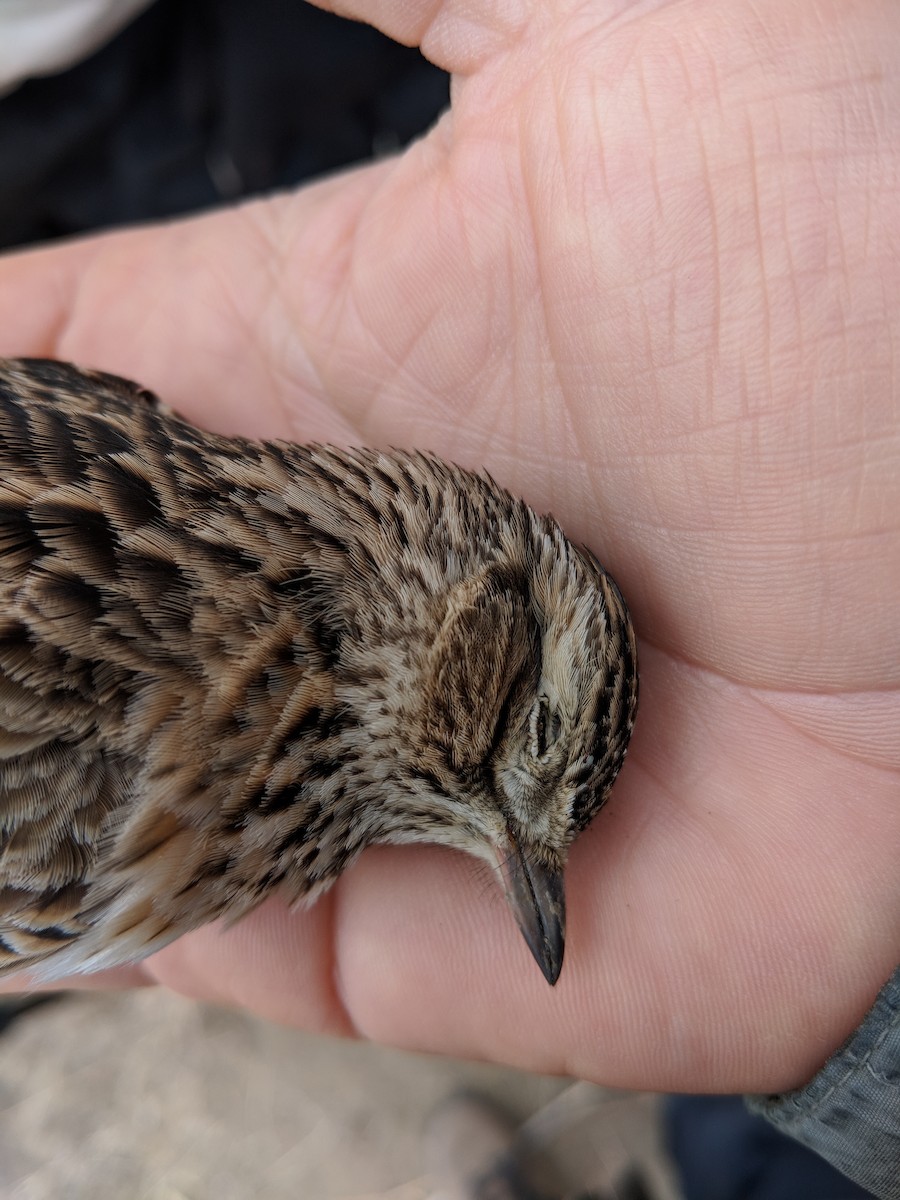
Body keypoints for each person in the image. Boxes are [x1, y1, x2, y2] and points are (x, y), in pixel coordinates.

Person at [0, 1, 896, 1195]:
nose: (532, 880)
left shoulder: (131, 454)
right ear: (477, 622)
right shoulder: (110, 768)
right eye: (527, 745)